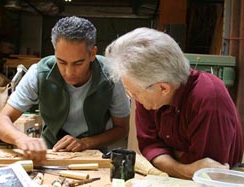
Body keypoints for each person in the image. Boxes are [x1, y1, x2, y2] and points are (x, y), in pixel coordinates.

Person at [104, 27, 243, 179]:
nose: (133, 98)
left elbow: (208, 173)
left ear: (163, 88)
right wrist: (185, 167)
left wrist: (169, 156)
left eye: (134, 93)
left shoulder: (209, 98)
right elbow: (149, 147)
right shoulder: (150, 94)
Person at [0, 16, 130, 161]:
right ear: (54, 52)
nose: (69, 72)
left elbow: (122, 129)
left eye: (78, 63)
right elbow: (0, 121)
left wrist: (85, 143)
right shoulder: (38, 73)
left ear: (92, 54)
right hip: (50, 153)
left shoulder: (112, 75)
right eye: (62, 62)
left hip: (94, 155)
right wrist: (21, 139)